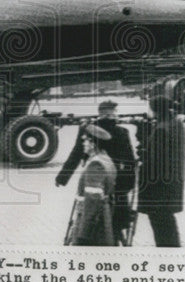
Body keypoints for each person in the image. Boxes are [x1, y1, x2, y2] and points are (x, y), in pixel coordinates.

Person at [56, 99, 137, 241]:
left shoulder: (88, 130)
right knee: (116, 225)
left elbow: (76, 154)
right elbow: (130, 161)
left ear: (100, 113)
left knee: (93, 218)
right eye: (114, 113)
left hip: (94, 182)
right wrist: (129, 185)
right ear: (113, 113)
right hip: (118, 186)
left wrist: (62, 177)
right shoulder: (122, 132)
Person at [136, 94, 185, 247]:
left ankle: (167, 254)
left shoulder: (161, 130)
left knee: (160, 224)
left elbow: (155, 160)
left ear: (156, 110)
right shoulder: (176, 124)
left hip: (158, 186)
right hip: (172, 182)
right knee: (168, 221)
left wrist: (142, 158)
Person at [65, 125, 118, 246]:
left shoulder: (96, 164)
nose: (83, 143)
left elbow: (93, 200)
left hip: (94, 225)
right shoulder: (106, 159)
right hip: (103, 217)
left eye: (85, 140)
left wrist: (83, 233)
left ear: (93, 144)